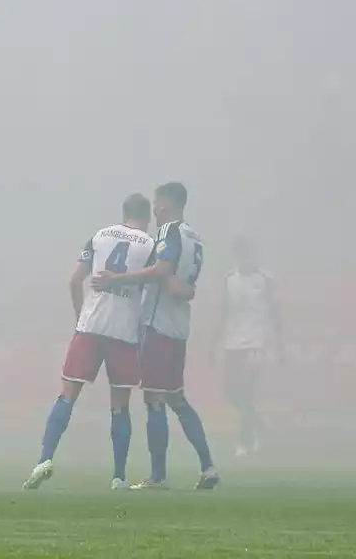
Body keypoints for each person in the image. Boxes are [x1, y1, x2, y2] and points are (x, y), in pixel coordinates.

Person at [23, 194, 156, 491]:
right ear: (146, 217)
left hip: (91, 326)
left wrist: (79, 316)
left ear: (124, 214)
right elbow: (150, 286)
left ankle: (44, 459)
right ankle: (119, 477)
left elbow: (74, 281)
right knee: (120, 405)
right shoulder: (148, 244)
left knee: (67, 394)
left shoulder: (99, 235)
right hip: (124, 331)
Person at [92, 182, 219, 490]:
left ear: (164, 205)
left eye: (156, 203)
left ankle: (157, 476)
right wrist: (183, 288)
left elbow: (162, 271)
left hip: (157, 324)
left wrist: (117, 279)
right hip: (179, 326)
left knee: (153, 398)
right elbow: (182, 284)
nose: (154, 209)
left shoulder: (167, 231)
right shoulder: (194, 236)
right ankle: (208, 466)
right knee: (176, 397)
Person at [220, 235, 283, 458]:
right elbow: (223, 312)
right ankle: (258, 421)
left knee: (247, 390)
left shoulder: (265, 279)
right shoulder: (229, 279)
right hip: (232, 342)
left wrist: (280, 346)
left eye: (246, 253)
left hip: (256, 341)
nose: (243, 259)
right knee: (230, 392)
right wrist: (214, 344)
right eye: (239, 254)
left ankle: (244, 442)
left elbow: (276, 314)